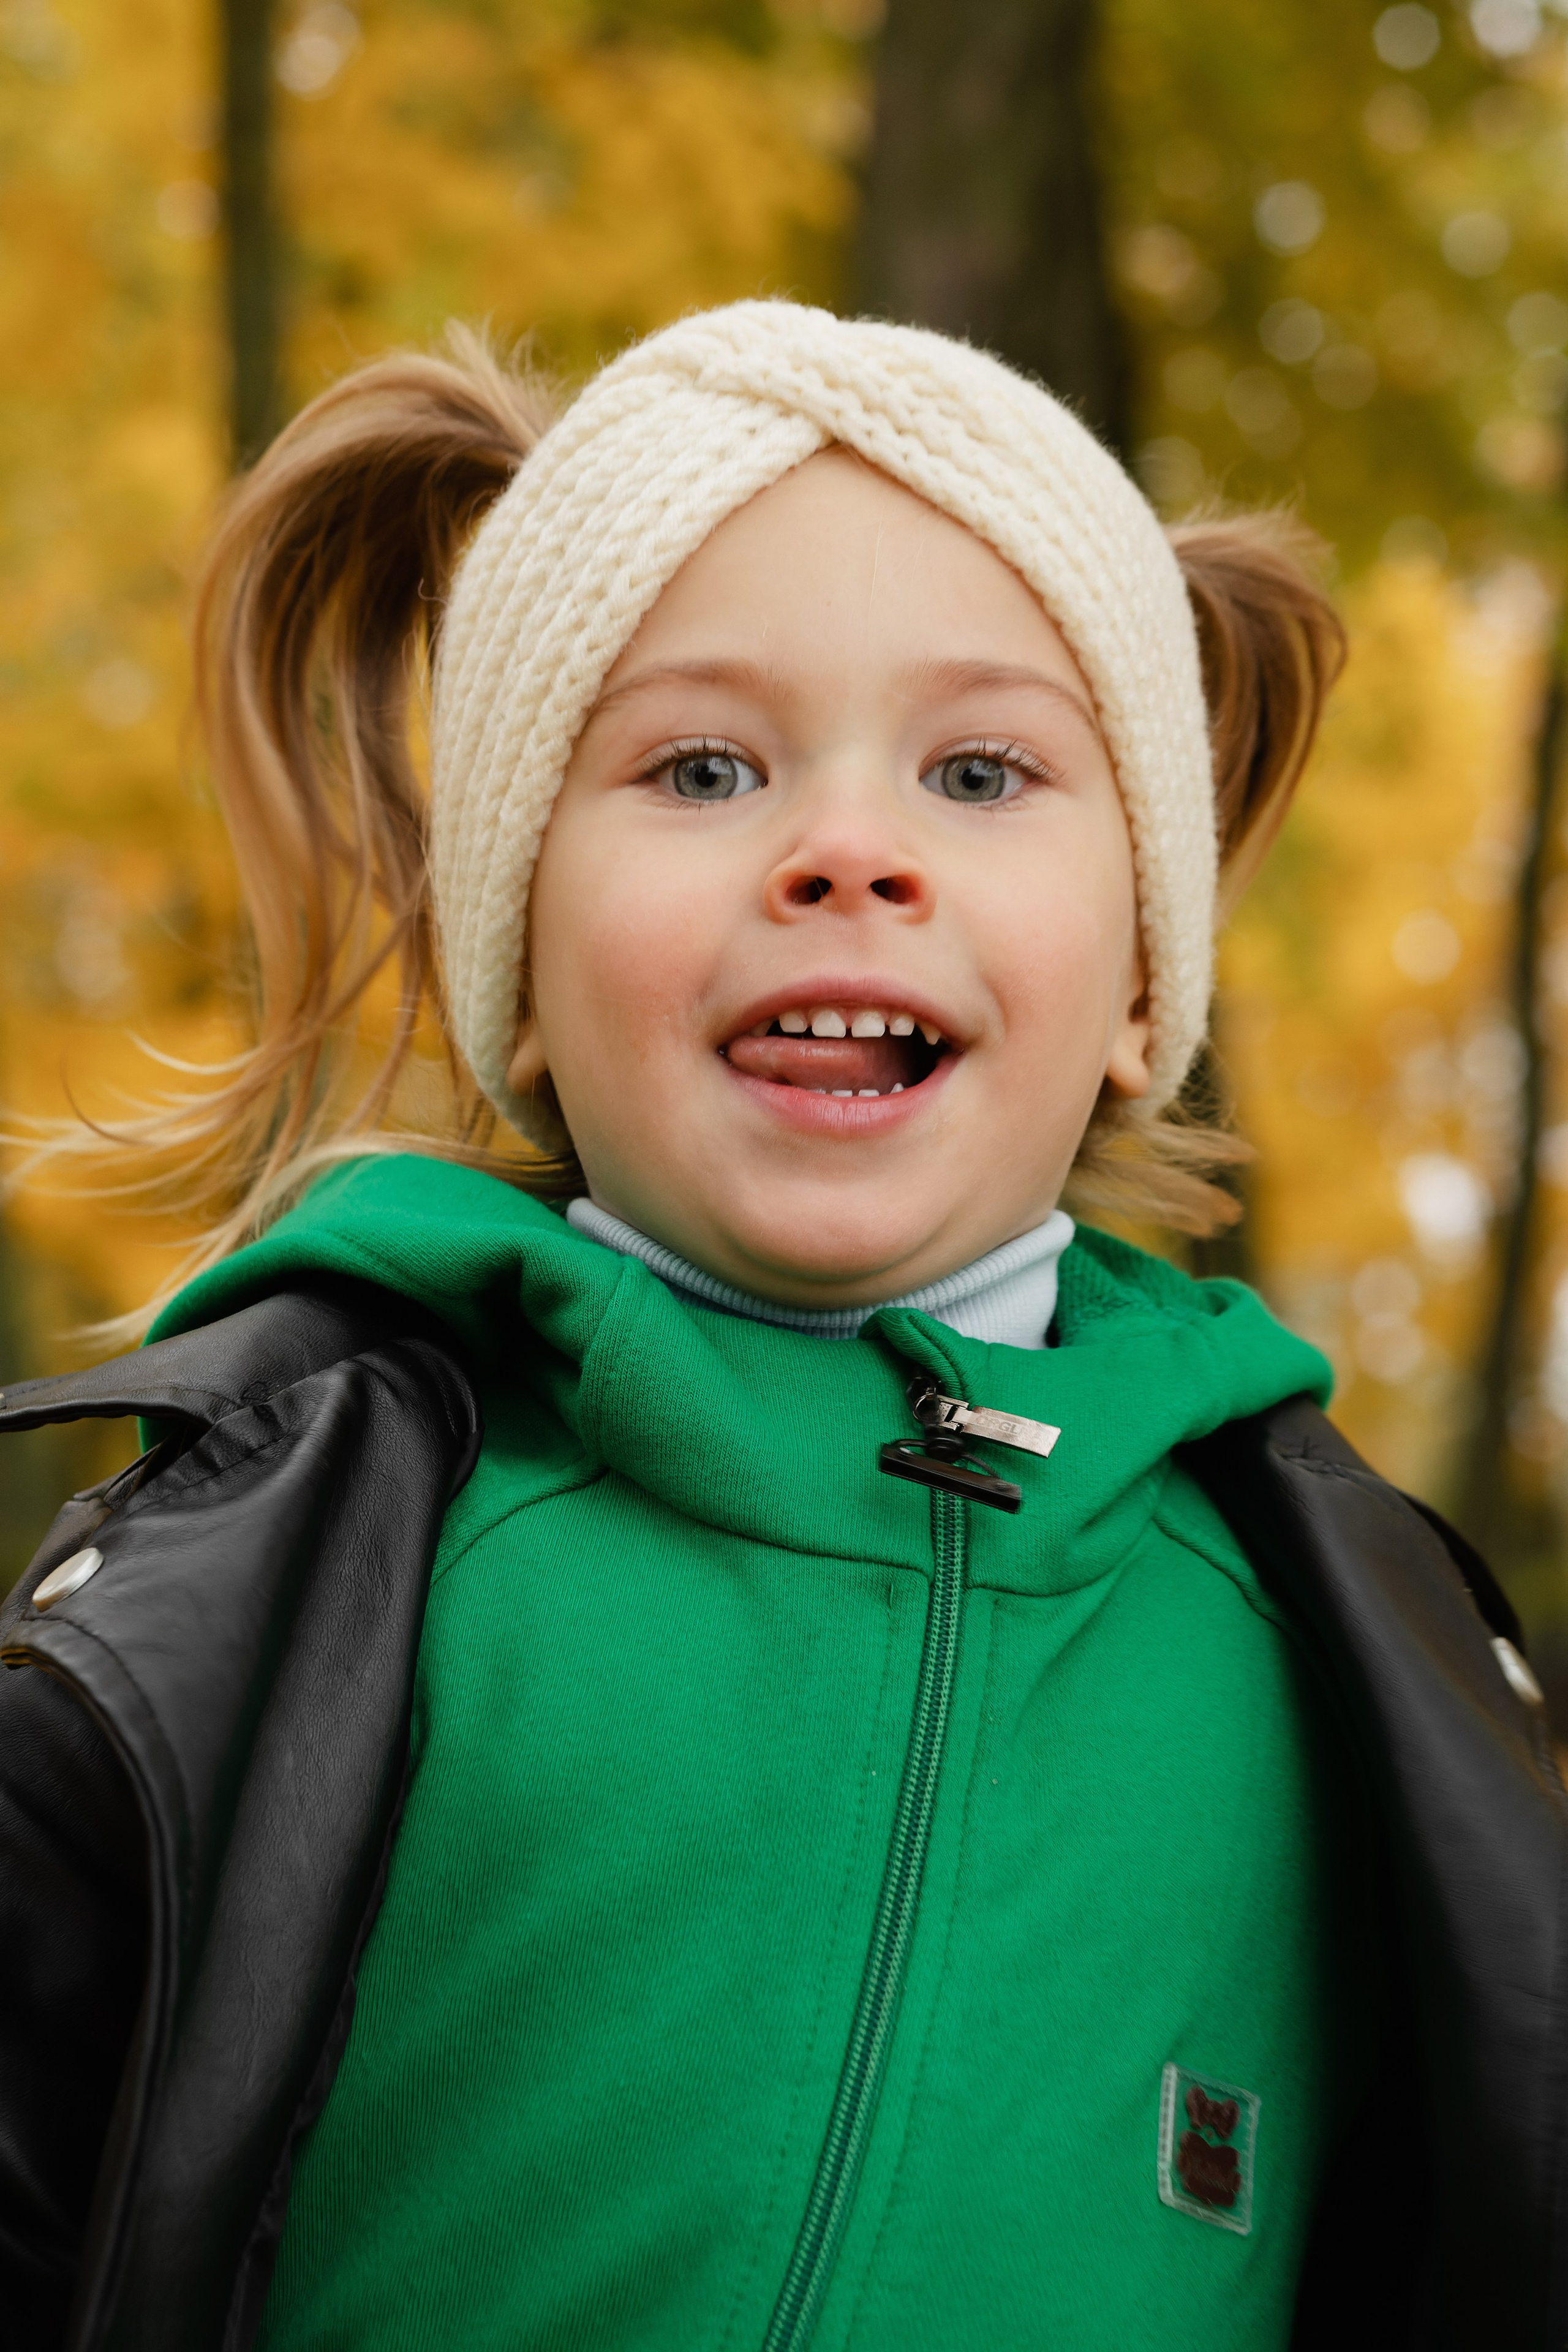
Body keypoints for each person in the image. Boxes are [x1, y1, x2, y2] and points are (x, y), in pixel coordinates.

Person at [0, 302, 1562, 2352]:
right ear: (527, 969)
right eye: (704, 765)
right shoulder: (303, 1544)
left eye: (983, 770)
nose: (848, 852)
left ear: (1141, 986)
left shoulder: (1342, 1663)